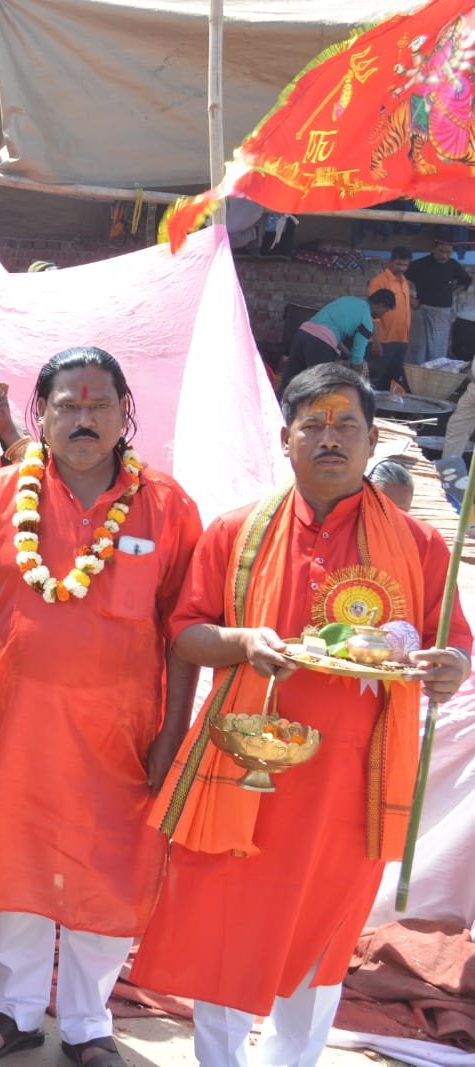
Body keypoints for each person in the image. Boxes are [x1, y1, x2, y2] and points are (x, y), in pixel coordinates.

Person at [135, 363, 472, 1067]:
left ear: (371, 438)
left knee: (323, 938)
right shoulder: (236, 531)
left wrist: (449, 668)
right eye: (313, 424)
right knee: (227, 927)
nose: (330, 438)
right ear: (284, 438)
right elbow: (186, 633)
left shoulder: (421, 545)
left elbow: (456, 647)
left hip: (350, 786)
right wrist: (242, 641)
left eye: (346, 424)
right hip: (244, 769)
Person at [0, 347, 203, 1067]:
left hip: (124, 737)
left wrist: (172, 735)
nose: (83, 419)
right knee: (11, 863)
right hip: (11, 726)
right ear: (40, 415)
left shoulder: (169, 505)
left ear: (126, 412)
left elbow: (184, 631)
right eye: (67, 404)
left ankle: (89, 1023)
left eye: (98, 404)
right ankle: (15, 1010)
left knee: (109, 873)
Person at [279, 290, 396, 395]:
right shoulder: (366, 320)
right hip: (320, 344)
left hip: (303, 333)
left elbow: (333, 332)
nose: (382, 315)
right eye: (385, 311)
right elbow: (357, 355)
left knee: (289, 380)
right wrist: (358, 384)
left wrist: (347, 354)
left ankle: (277, 412)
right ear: (380, 306)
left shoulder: (347, 300)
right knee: (318, 387)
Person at [407, 239, 471, 363]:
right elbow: (399, 279)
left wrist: (454, 292)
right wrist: (410, 298)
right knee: (418, 348)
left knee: (438, 350)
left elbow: (466, 280)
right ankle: (415, 378)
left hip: (442, 313)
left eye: (448, 252)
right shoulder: (419, 264)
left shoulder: (453, 265)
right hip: (421, 311)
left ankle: (434, 377)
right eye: (441, 251)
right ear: (433, 249)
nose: (444, 256)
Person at [366, 247, 415, 389]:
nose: (402, 268)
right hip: (383, 341)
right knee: (376, 380)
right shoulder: (378, 281)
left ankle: (386, 411)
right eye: (398, 264)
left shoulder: (404, 281)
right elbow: (372, 313)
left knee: (393, 381)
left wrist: (406, 340)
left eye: (405, 265)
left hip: (401, 341)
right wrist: (375, 341)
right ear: (390, 262)